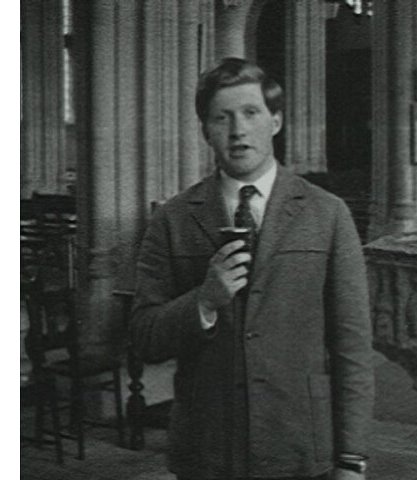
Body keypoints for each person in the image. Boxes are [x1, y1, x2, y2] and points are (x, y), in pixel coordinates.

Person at [131, 57, 374, 480]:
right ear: (206, 131)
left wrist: (352, 458)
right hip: (207, 448)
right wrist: (204, 302)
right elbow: (144, 338)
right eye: (221, 118)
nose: (238, 130)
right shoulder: (173, 218)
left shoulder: (327, 213)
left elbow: (352, 346)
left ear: (275, 121)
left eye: (250, 113)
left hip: (300, 446)